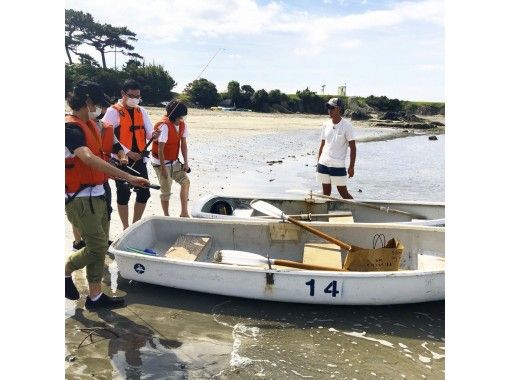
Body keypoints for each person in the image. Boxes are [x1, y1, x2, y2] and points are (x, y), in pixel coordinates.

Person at [65, 80, 150, 310]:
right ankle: (64, 270)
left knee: (99, 244)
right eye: (97, 105)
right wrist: (128, 177)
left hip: (100, 192)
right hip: (80, 198)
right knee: (98, 246)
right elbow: (88, 158)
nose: (100, 109)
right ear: (87, 102)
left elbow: (112, 144)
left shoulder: (95, 124)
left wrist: (121, 156)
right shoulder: (70, 128)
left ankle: (94, 297)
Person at [101, 79, 160, 229]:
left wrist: (155, 134)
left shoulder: (142, 111)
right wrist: (127, 152)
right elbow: (107, 136)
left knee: (144, 193)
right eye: (131, 95)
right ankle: (125, 227)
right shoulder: (113, 111)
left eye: (138, 96)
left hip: (140, 159)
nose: (135, 99)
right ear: (123, 94)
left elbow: (149, 133)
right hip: (121, 160)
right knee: (123, 193)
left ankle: (134, 226)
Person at [150, 100, 191, 217]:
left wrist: (186, 163)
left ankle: (184, 212)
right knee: (166, 191)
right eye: (181, 116)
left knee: (186, 182)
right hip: (161, 163)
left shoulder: (182, 125)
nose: (182, 119)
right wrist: (163, 168)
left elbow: (183, 144)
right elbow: (160, 149)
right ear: (174, 116)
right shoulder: (164, 127)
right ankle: (166, 216)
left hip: (174, 161)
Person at [316, 97, 356, 199]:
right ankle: (325, 212)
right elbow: (322, 144)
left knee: (343, 193)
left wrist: (351, 167)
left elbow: (353, 148)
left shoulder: (347, 126)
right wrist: (318, 161)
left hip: (338, 165)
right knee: (326, 194)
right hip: (323, 163)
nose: (329, 110)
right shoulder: (326, 125)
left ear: (339, 109)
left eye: (332, 107)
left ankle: (356, 210)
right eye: (328, 107)